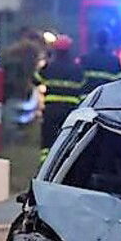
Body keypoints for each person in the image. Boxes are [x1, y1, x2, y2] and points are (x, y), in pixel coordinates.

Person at [34, 34, 85, 163]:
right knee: (67, 139)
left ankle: (45, 164)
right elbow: (83, 87)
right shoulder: (77, 69)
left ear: (55, 50)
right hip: (70, 112)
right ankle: (64, 163)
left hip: (51, 109)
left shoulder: (49, 67)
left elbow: (35, 79)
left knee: (48, 140)